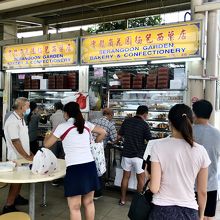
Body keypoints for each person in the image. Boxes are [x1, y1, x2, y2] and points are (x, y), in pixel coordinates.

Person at [146, 104, 210, 220]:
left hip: (161, 210)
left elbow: (154, 188)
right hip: (189, 211)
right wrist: (200, 216)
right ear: (191, 121)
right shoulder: (201, 151)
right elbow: (202, 192)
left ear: (169, 122)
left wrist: (147, 175)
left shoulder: (158, 146)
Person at [44, 101, 106, 220]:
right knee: (89, 203)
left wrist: (48, 135)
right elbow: (103, 132)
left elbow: (47, 144)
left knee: (75, 207)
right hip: (89, 166)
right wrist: (95, 143)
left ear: (66, 114)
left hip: (75, 169)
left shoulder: (62, 127)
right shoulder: (86, 124)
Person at [3, 97, 33, 213]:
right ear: (21, 107)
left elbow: (23, 138)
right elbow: (15, 141)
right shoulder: (12, 121)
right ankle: (8, 205)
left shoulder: (21, 118)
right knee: (16, 182)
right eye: (27, 106)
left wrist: (29, 152)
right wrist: (26, 156)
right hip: (16, 157)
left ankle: (17, 197)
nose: (28, 108)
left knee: (20, 179)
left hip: (22, 155)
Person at [118, 105, 152, 205]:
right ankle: (138, 203)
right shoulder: (144, 124)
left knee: (125, 178)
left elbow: (119, 136)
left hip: (126, 154)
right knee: (140, 180)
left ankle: (123, 200)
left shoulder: (127, 121)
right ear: (145, 114)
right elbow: (150, 140)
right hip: (139, 156)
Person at [192, 99, 220, 220]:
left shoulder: (187, 131)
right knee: (208, 217)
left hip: (189, 184)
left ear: (194, 113)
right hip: (211, 184)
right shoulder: (218, 134)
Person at [91, 108, 117, 199]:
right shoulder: (110, 125)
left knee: (90, 170)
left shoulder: (92, 121)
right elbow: (114, 140)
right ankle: (97, 193)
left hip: (88, 149)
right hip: (98, 150)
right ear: (110, 115)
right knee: (99, 170)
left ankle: (88, 190)